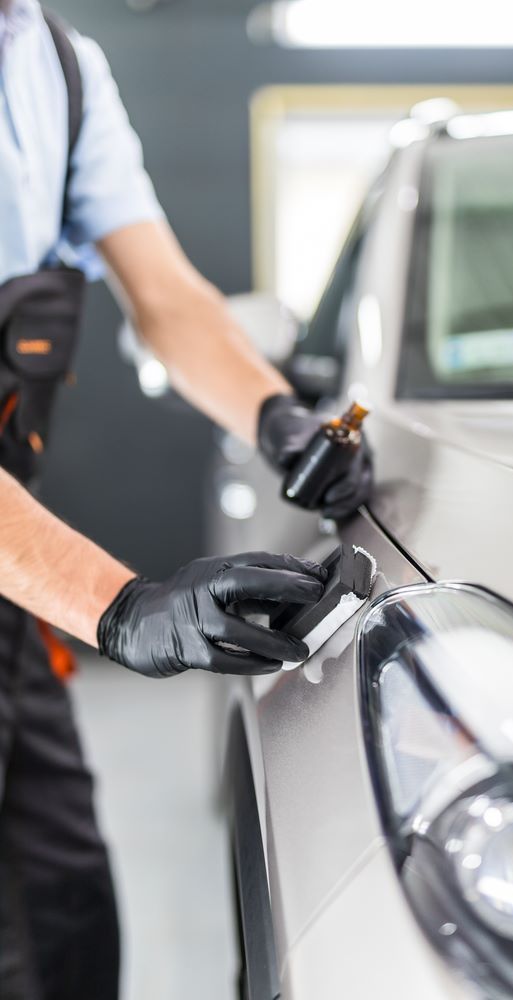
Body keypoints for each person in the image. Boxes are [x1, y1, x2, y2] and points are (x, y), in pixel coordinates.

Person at [0, 2, 372, 997]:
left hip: (11, 592)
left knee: (60, 910)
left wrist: (276, 416)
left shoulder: (64, 68)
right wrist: (123, 607)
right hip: (34, 571)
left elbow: (166, 297)